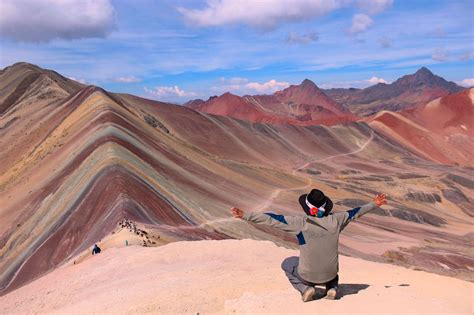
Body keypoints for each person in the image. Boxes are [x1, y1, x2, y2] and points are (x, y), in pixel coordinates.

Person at [231, 189, 387, 302]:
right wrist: (375, 203)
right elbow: (355, 212)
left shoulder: (299, 223)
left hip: (307, 276)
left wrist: (246, 215)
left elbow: (272, 219)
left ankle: (305, 289)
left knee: (287, 263)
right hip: (330, 275)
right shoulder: (337, 220)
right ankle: (332, 288)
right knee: (332, 270)